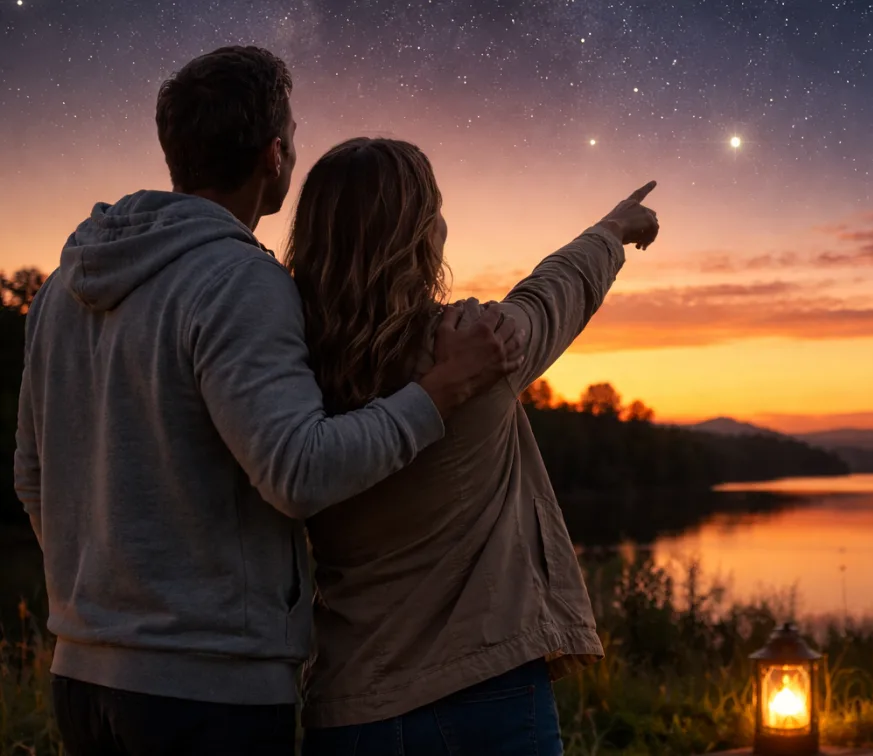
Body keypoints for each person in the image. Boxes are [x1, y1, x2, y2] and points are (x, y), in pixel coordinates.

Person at [12, 47, 524, 756]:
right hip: (207, 693)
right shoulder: (238, 280)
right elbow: (300, 472)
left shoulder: (61, 295)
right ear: (275, 156)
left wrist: (106, 593)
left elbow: (32, 475)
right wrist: (441, 392)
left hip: (82, 680)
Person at [285, 137, 658, 755]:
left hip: (351, 707)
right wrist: (612, 230)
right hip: (487, 693)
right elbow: (553, 296)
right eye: (435, 210)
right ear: (419, 236)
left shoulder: (288, 372)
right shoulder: (475, 345)